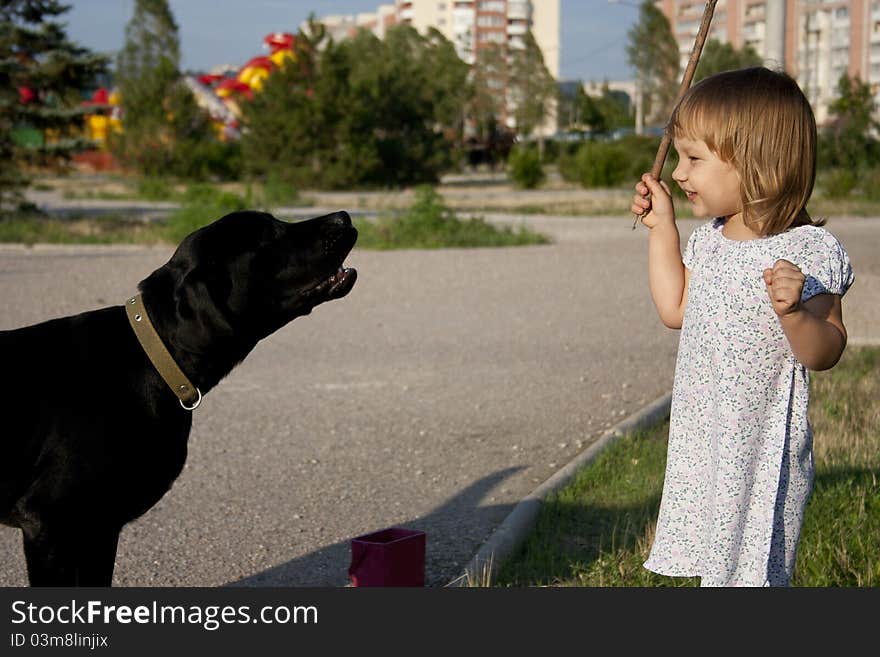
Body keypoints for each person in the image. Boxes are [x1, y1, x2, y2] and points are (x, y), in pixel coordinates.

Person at [631, 67, 855, 587]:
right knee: (716, 569)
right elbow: (675, 308)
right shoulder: (709, 242)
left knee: (754, 573)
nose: (680, 174)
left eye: (695, 159)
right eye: (679, 156)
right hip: (706, 440)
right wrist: (662, 227)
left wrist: (795, 314)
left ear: (756, 164)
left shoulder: (806, 251)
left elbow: (827, 350)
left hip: (759, 450)